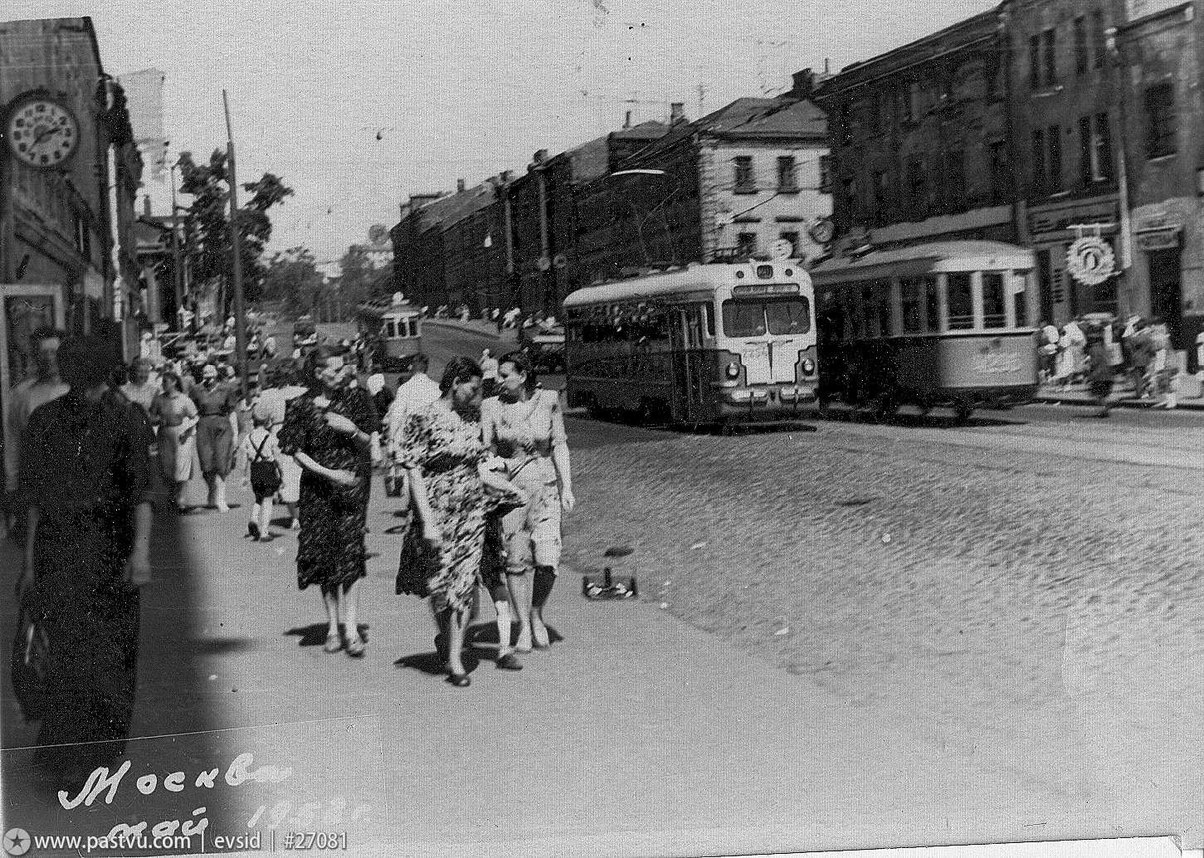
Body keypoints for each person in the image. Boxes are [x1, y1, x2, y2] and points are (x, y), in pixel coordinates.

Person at [15, 335, 153, 789]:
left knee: (104, 653)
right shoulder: (45, 421)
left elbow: (140, 497)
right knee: (72, 651)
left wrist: (140, 554)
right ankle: (72, 751)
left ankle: (99, 751)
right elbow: (34, 500)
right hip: (64, 550)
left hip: (109, 550)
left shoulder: (126, 419)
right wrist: (31, 567)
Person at [395, 357, 526, 685]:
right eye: (474, 387)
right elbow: (413, 471)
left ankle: (454, 657)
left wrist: (510, 488)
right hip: (438, 511)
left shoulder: (471, 418)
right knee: (441, 583)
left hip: (471, 513)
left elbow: (480, 467)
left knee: (465, 584)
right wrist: (426, 520)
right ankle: (449, 644)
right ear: (456, 382)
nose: (479, 394)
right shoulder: (423, 417)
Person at [278, 345, 378, 657]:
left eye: (344, 368)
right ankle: (332, 626)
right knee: (323, 558)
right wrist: (330, 474)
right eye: (335, 370)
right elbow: (295, 451)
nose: (343, 373)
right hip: (317, 491)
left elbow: (371, 444)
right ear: (318, 373)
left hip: (351, 491)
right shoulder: (299, 406)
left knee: (350, 555)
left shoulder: (356, 399)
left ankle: (350, 628)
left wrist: (352, 430)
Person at [481, 350, 576, 654]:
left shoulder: (548, 400)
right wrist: (494, 473)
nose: (498, 380)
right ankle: (523, 625)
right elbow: (486, 452)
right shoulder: (490, 407)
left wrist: (567, 487)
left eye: (504, 374)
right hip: (511, 496)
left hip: (546, 490)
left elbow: (559, 444)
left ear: (522, 376)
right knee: (515, 562)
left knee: (548, 560)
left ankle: (537, 612)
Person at [4, 327, 70, 533]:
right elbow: (13, 444)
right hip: (37, 490)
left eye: (54, 352)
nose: (49, 358)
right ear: (35, 356)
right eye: (43, 353)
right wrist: (12, 487)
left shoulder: (77, 390)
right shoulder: (22, 396)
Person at [189, 363, 240, 511]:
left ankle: (221, 499)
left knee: (221, 463)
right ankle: (212, 489)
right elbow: (192, 411)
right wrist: (189, 429)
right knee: (206, 465)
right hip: (203, 427)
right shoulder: (196, 390)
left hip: (222, 427)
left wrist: (235, 434)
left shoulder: (226, 389)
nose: (208, 377)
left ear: (217, 374)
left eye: (211, 373)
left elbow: (232, 412)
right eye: (205, 373)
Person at [150, 371, 199, 511]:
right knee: (167, 467)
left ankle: (181, 500)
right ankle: (171, 499)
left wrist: (187, 430)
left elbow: (195, 417)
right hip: (165, 435)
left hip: (181, 435)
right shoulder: (159, 399)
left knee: (182, 467)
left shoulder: (184, 399)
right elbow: (151, 418)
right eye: (162, 382)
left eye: (165, 382)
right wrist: (159, 420)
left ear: (173, 382)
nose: (163, 384)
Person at [239, 410, 282, 540]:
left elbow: (244, 458)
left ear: (253, 421)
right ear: (268, 422)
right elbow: (277, 457)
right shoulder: (271, 437)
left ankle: (253, 519)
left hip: (255, 469)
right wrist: (281, 473)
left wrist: (244, 475)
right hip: (268, 469)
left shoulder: (248, 437)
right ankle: (264, 532)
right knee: (268, 500)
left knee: (258, 498)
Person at [1084, 322, 1114, 418]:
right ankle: (1104, 409)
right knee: (1102, 394)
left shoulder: (1093, 349)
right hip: (1108, 374)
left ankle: (1104, 407)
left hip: (1099, 375)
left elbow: (1094, 363)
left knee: (1096, 394)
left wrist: (1088, 370)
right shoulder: (1104, 348)